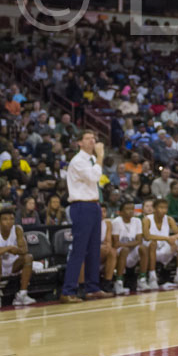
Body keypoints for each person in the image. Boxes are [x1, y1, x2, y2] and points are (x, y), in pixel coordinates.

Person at [59, 130, 111, 304]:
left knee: (94, 249)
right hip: (81, 205)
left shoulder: (89, 160)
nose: (92, 141)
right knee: (79, 249)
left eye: (93, 138)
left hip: (94, 205)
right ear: (79, 143)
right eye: (88, 138)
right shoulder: (78, 161)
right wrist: (101, 155)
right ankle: (68, 290)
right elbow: (94, 176)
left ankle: (92, 288)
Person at [0, 207, 36, 308]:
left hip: (13, 265)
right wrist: (8, 248)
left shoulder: (18, 229)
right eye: (5, 219)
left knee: (28, 257)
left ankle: (22, 295)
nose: (9, 222)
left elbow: (24, 250)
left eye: (11, 219)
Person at [143, 198, 178, 290]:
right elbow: (147, 236)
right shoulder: (147, 219)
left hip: (165, 249)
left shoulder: (169, 219)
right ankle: (152, 278)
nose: (164, 210)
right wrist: (167, 238)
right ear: (154, 209)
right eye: (161, 208)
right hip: (151, 251)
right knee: (153, 243)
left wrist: (174, 238)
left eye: (165, 208)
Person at [110, 204, 150, 294]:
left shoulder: (137, 221)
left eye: (132, 209)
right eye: (127, 209)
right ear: (120, 213)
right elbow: (116, 243)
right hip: (120, 252)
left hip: (131, 251)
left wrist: (126, 244)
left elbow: (139, 241)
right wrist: (131, 244)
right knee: (124, 250)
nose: (131, 211)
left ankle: (142, 279)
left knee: (143, 248)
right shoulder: (116, 222)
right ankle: (119, 282)